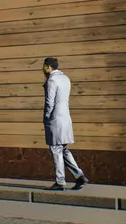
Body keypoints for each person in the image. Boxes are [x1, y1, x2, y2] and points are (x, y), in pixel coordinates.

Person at [43, 58, 89, 190]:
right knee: (63, 149)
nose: (42, 69)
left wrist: (46, 117)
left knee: (55, 149)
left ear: (48, 67)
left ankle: (60, 181)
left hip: (55, 119)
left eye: (44, 66)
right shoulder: (65, 78)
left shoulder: (52, 80)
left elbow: (49, 102)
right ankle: (79, 176)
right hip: (65, 118)